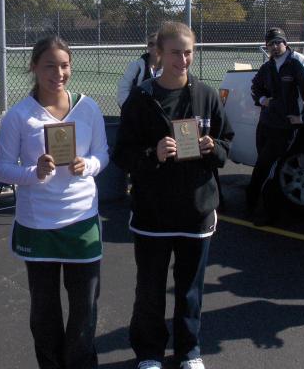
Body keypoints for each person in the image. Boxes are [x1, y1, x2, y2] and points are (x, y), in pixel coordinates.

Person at [112, 21, 233, 369]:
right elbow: (122, 154)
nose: (183, 60)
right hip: (153, 213)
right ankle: (149, 353)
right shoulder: (141, 99)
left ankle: (188, 351)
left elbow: (226, 143)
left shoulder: (206, 95)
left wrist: (212, 147)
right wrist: (153, 154)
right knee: (150, 289)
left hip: (196, 211)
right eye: (175, 52)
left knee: (190, 289)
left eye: (188, 52)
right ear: (159, 54)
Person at [0, 36, 109, 369]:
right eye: (49, 66)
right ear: (34, 67)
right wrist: (35, 172)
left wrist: (87, 165)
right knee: (44, 310)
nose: (58, 73)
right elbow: (3, 168)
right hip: (38, 225)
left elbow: (102, 154)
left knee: (85, 306)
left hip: (82, 221)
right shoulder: (19, 115)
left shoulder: (88, 107)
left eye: (64, 65)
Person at [246, 27, 304, 226]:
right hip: (266, 123)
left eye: (278, 42)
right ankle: (252, 205)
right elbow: (255, 86)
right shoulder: (268, 66)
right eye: (270, 44)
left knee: (269, 169)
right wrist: (262, 100)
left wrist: (303, 118)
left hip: (284, 128)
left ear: (285, 43)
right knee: (262, 165)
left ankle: (266, 211)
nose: (275, 47)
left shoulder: (297, 62)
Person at [117, 32, 161, 107]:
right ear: (147, 47)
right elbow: (123, 89)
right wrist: (131, 108)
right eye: (151, 44)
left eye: (158, 44)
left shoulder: (169, 68)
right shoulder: (136, 66)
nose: (154, 47)